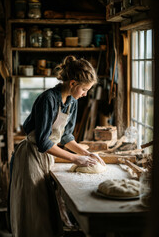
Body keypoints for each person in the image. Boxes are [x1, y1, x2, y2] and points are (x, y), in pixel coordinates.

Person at [9, 55, 105, 237]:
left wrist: (88, 153)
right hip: (31, 156)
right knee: (34, 210)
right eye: (84, 89)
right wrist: (76, 158)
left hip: (46, 157)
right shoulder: (48, 99)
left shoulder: (72, 102)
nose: (85, 93)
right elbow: (43, 142)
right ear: (73, 83)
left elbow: (67, 137)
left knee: (46, 209)